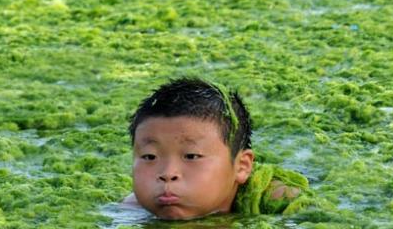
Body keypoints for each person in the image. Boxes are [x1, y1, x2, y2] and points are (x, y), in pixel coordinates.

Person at [125, 78, 309, 220]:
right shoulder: (133, 209)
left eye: (191, 156)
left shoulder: (282, 199)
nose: (167, 174)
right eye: (149, 157)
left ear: (242, 167)